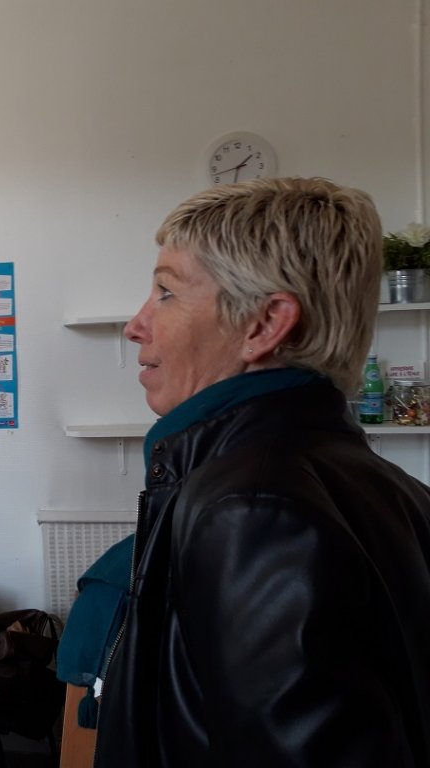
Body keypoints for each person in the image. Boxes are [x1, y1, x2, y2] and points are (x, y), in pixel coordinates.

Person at [93, 177, 430, 767]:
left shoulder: (252, 510)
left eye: (166, 293)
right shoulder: (396, 489)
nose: (136, 325)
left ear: (263, 325)